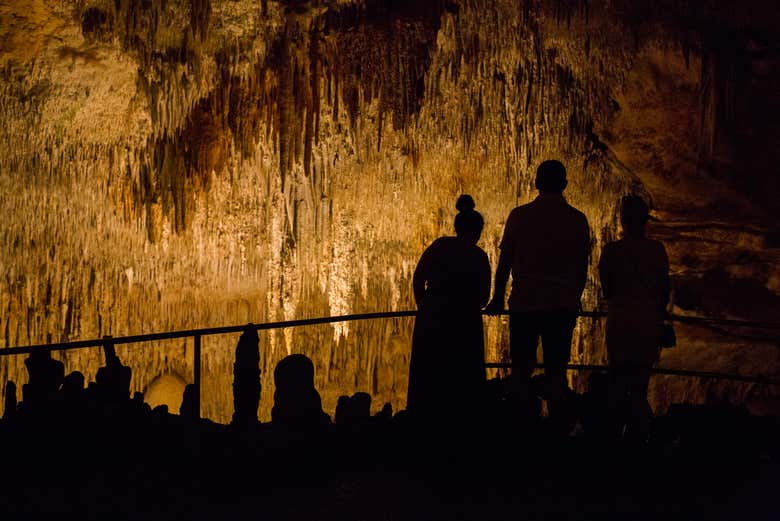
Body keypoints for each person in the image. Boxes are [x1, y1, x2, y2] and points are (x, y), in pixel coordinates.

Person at [486, 160, 590, 430]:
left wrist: (497, 297)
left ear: (536, 183)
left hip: (525, 304)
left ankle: (521, 427)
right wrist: (574, 298)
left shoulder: (519, 216)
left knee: (521, 368)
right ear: (565, 185)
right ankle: (558, 429)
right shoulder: (577, 220)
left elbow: (505, 261)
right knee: (556, 369)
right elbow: (581, 268)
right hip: (561, 306)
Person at [406, 195, 491, 421]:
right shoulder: (480, 257)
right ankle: (461, 422)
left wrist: (423, 305)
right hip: (465, 320)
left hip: (433, 314)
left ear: (457, 227)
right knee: (462, 373)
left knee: (429, 371)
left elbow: (418, 277)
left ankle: (423, 420)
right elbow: (484, 297)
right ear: (478, 232)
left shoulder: (440, 246)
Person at [598, 195, 670, 443]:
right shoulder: (657, 250)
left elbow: (605, 289)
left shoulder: (611, 251)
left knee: (617, 383)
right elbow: (664, 288)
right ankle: (638, 439)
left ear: (622, 220)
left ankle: (613, 438)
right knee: (639, 385)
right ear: (645, 221)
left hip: (620, 322)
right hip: (646, 322)